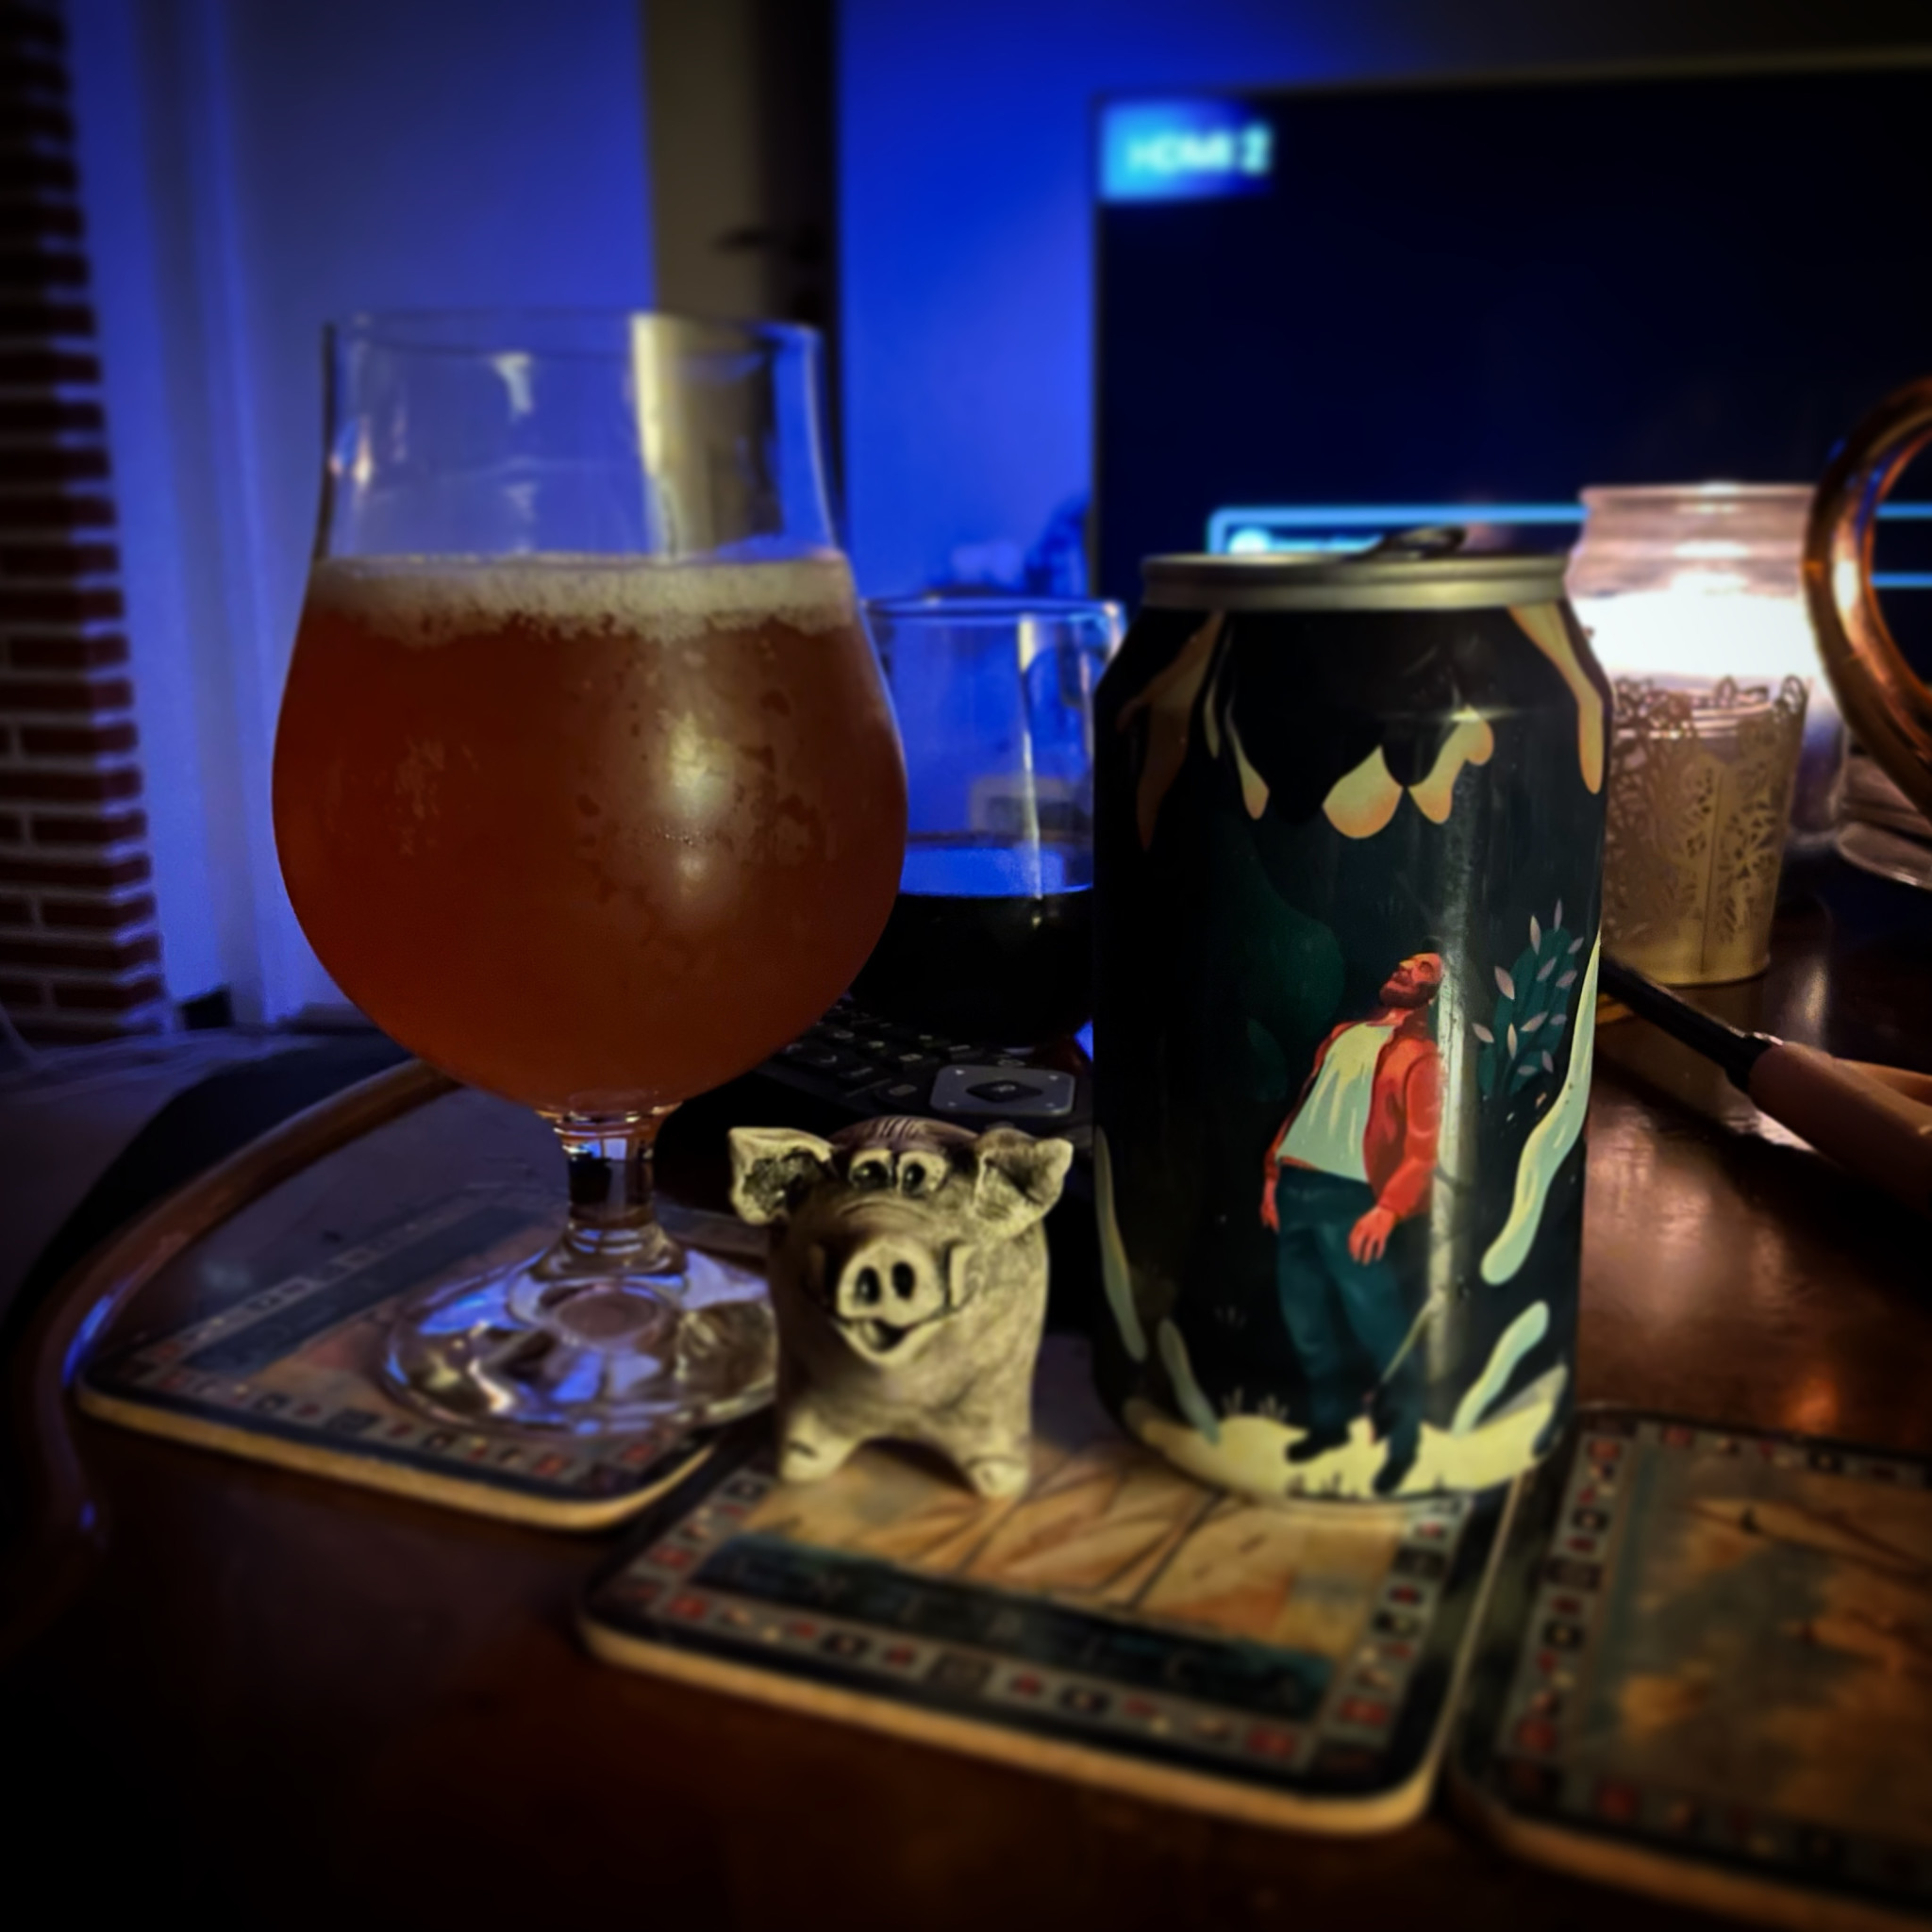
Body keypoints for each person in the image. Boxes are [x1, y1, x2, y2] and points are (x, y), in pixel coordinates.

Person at [1259, 952, 1443, 1492]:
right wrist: (1272, 1174)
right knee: (1306, 1319)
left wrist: (1388, 1208)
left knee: (1379, 1325)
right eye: (1409, 962)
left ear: (1432, 996)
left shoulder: (1420, 1057)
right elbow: (1308, 1107)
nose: (1407, 968)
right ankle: (1329, 1424)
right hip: (1298, 1184)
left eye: (1424, 970)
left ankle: (1405, 1445)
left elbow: (1425, 1146)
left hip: (1352, 1196)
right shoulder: (1344, 1034)